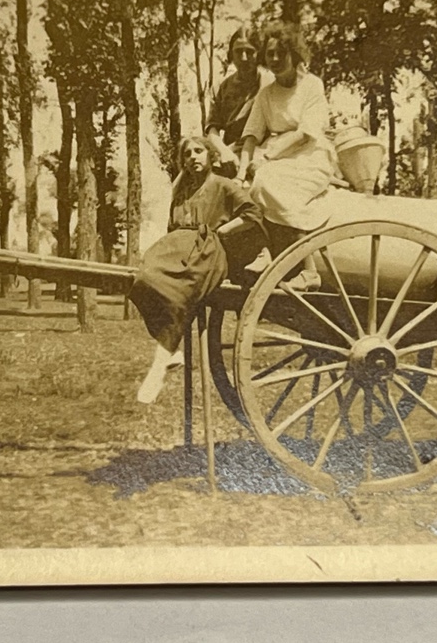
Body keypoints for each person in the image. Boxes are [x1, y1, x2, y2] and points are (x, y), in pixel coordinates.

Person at [130, 136, 265, 404]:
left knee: (179, 291)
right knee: (142, 281)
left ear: (211, 155)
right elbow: (173, 225)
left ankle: (161, 361)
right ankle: (169, 351)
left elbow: (253, 213)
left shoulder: (223, 185)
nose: (193, 157)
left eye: (199, 151)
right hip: (180, 248)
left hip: (208, 251)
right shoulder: (182, 191)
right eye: (187, 154)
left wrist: (221, 230)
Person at [236, 21, 335, 290]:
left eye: (282, 52)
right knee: (251, 187)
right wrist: (241, 171)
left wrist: (266, 158)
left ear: (294, 53)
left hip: (311, 156)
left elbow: (305, 134)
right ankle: (266, 251)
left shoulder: (311, 86)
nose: (276, 59)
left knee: (269, 181)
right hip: (275, 158)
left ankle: (309, 269)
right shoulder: (266, 94)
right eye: (270, 54)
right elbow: (251, 136)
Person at [204, 27, 273, 177]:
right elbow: (211, 129)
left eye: (249, 51)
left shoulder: (270, 84)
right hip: (229, 149)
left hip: (261, 148)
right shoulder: (221, 87)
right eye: (238, 51)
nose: (243, 57)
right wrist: (223, 151)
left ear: (258, 54)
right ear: (231, 54)